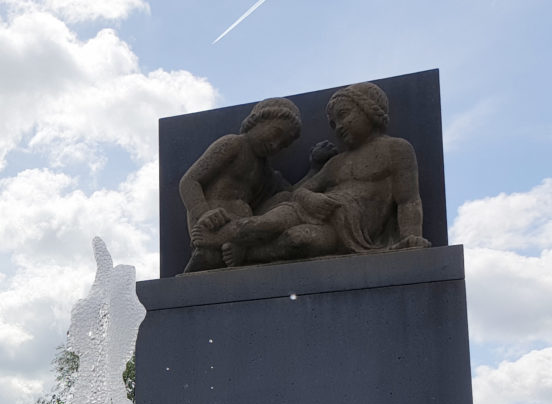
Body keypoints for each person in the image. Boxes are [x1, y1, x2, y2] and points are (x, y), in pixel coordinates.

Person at [219, 82, 429, 268]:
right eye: (333, 123)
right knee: (263, 223)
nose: (338, 126)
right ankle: (208, 240)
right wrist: (310, 198)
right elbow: (301, 190)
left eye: (344, 114)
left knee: (298, 239)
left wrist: (412, 237)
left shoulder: (396, 149)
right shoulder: (336, 162)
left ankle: (247, 253)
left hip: (347, 230)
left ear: (369, 109)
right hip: (307, 209)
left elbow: (408, 200)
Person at [178, 97, 303, 272]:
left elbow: (293, 193)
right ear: (258, 121)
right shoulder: (233, 144)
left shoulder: (265, 170)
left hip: (242, 226)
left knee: (284, 200)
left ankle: (241, 248)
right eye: (276, 133)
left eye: (283, 145)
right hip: (213, 224)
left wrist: (317, 168)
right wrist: (203, 213)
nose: (275, 145)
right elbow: (189, 181)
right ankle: (220, 245)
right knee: (209, 258)